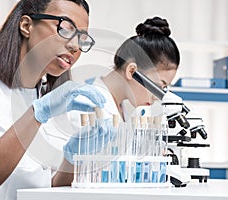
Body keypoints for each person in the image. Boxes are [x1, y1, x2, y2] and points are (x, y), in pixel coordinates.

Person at [0, 0, 108, 199]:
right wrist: (36, 115)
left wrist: (73, 159)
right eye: (66, 28)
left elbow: (47, 187)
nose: (74, 46)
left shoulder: (54, 100)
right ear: (27, 26)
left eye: (82, 37)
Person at [38, 16, 180, 183]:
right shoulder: (86, 106)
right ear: (132, 71)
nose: (157, 98)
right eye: (158, 86)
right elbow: (60, 182)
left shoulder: (126, 111)